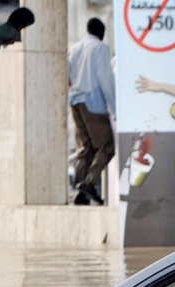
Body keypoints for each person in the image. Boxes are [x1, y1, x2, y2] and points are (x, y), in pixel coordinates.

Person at [68, 18, 116, 205]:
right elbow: (105, 79)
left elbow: (69, 76)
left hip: (76, 103)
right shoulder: (101, 48)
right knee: (107, 146)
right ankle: (88, 183)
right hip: (93, 103)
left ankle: (81, 193)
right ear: (101, 32)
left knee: (87, 148)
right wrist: (114, 107)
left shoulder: (75, 49)